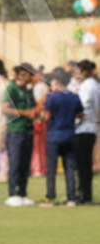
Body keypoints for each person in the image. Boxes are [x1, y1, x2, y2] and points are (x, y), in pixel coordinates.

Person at [42, 70, 83, 207]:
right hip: (70, 134)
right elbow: (80, 115)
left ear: (57, 83)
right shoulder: (74, 97)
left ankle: (50, 196)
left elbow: (47, 116)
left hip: (54, 134)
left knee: (52, 168)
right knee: (70, 168)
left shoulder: (52, 97)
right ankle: (71, 197)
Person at [2, 64, 39, 206]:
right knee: (15, 163)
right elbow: (5, 109)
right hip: (15, 130)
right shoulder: (12, 88)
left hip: (27, 130)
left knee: (25, 164)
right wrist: (26, 113)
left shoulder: (28, 90)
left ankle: (23, 193)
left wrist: (37, 113)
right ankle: (13, 193)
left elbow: (32, 107)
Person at [76, 60, 98, 206]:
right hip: (92, 127)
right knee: (86, 163)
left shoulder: (87, 86)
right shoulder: (95, 85)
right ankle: (86, 193)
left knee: (82, 163)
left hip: (84, 127)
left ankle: (83, 193)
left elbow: (82, 107)